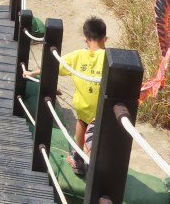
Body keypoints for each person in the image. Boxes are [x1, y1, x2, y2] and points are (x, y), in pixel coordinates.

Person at [24, 16, 107, 176]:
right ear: (105, 39)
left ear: (85, 39)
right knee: (96, 138)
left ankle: (77, 159)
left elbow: (52, 65)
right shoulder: (108, 58)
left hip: (82, 108)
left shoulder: (77, 56)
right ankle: (91, 166)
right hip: (101, 111)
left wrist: (31, 72)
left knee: (81, 126)